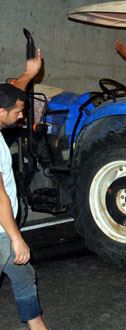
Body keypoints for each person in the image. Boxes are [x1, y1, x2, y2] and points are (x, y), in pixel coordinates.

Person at [0, 53, 48, 330]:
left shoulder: (4, 104)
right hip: (1, 233)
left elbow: (9, 91)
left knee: (23, 276)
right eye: (18, 111)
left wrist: (29, 74)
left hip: (4, 231)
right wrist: (16, 238)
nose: (22, 116)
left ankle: (37, 325)